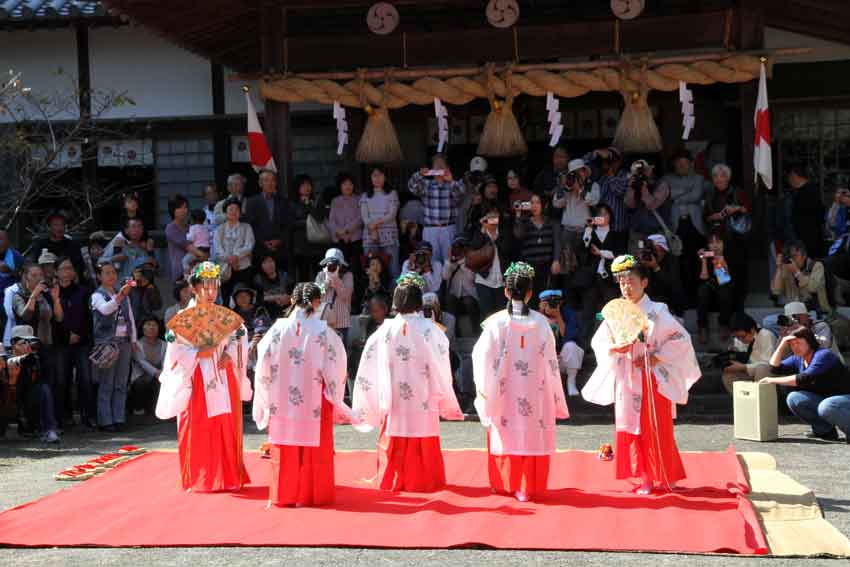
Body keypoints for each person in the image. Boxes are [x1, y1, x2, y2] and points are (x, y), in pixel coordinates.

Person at [584, 255, 701, 495]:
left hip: (652, 376)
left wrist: (657, 357)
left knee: (658, 427)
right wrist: (614, 349)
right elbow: (600, 342)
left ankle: (667, 475)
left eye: (631, 281)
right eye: (622, 282)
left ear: (644, 282)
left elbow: (681, 338)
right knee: (633, 428)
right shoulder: (615, 312)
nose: (626, 287)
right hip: (627, 375)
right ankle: (645, 476)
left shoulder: (658, 311)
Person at [352, 273, 464, 492]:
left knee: (394, 430)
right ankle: (424, 480)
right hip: (423, 396)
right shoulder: (431, 330)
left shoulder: (383, 330)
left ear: (395, 303)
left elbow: (368, 365)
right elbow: (443, 364)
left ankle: (393, 479)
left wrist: (374, 398)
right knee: (423, 431)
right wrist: (444, 395)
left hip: (393, 397)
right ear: (419, 303)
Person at [472, 262, 569, 502]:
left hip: (504, 390)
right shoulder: (541, 323)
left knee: (507, 431)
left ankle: (507, 483)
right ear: (529, 293)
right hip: (534, 390)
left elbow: (479, 356)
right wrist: (554, 394)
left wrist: (486, 391)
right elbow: (550, 361)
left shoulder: (494, 323)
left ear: (506, 291)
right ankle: (529, 485)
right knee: (531, 430)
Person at [155, 261, 253, 492]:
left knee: (226, 425)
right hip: (196, 375)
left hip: (221, 372)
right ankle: (202, 477)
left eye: (214, 287)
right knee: (200, 426)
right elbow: (174, 351)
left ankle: (228, 476)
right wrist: (198, 352)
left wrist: (229, 354)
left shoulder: (224, 315)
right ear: (194, 288)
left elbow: (240, 335)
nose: (211, 292)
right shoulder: (183, 316)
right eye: (206, 287)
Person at [254, 282, 353, 507]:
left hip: (281, 396)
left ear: (292, 300)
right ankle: (313, 495)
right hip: (314, 398)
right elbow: (336, 366)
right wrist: (334, 392)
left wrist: (265, 395)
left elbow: (263, 364)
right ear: (317, 303)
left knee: (285, 444)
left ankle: (285, 494)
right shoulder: (324, 332)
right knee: (314, 448)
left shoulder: (276, 330)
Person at [761, 326, 850, 442]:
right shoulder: (798, 359)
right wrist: (782, 343)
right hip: (827, 400)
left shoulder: (823, 355)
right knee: (794, 398)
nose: (795, 347)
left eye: (799, 343)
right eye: (792, 344)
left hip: (845, 399)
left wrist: (771, 380)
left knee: (827, 406)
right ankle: (825, 431)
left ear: (810, 342)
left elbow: (803, 378)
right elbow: (774, 368)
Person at [90, 261, 135, 432]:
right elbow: (105, 310)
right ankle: (105, 419)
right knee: (106, 382)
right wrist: (120, 296)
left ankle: (119, 417)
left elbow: (130, 317)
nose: (111, 276)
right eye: (107, 273)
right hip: (107, 343)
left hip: (123, 341)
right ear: (100, 276)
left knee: (121, 382)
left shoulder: (123, 294)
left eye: (113, 272)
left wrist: (133, 340)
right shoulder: (97, 295)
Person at [54, 257, 95, 429]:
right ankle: (65, 417)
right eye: (63, 268)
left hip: (82, 341)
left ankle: (88, 417)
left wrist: (78, 334)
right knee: (62, 380)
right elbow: (53, 320)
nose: (67, 272)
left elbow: (88, 317)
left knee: (85, 379)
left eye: (69, 268)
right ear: (56, 271)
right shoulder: (53, 292)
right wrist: (66, 335)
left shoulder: (83, 291)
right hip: (60, 343)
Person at [579, 204, 628, 346]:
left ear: (611, 217)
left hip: (609, 279)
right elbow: (583, 250)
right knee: (588, 313)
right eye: (599, 214)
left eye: (606, 214)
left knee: (611, 312)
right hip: (591, 279)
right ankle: (584, 347)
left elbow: (619, 254)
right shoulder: (589, 233)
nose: (603, 217)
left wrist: (601, 253)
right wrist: (588, 229)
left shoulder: (617, 235)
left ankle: (614, 345)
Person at [662, 150, 707, 304]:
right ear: (674, 165)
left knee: (697, 260)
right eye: (678, 163)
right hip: (676, 225)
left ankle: (698, 298)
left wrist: (675, 194)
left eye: (685, 163)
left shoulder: (699, 178)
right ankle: (683, 298)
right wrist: (684, 192)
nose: (682, 166)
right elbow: (666, 197)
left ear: (691, 164)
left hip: (694, 225)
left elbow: (696, 195)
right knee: (679, 263)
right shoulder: (666, 179)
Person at [704, 164, 751, 306]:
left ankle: (738, 305)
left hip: (736, 239)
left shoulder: (737, 192)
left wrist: (735, 208)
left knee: (737, 272)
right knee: (722, 276)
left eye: (722, 176)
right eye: (716, 176)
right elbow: (705, 217)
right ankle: (725, 308)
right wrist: (716, 216)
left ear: (728, 178)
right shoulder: (710, 194)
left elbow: (748, 209)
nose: (719, 179)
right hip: (718, 241)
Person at [408, 153, 466, 265]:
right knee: (430, 262)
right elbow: (411, 186)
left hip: (448, 228)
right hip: (430, 229)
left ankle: (449, 282)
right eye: (436, 165)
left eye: (441, 165)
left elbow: (461, 194)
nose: (439, 168)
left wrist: (451, 180)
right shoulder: (426, 184)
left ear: (447, 168)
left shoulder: (453, 184)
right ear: (432, 169)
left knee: (450, 262)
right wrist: (420, 174)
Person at [8, 325, 59, 442]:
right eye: (23, 342)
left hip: (29, 398)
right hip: (12, 401)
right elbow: (12, 363)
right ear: (13, 344)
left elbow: (45, 378)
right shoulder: (7, 357)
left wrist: (39, 358)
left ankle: (49, 429)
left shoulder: (36, 358)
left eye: (30, 342)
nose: (28, 346)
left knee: (45, 389)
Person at [513, 194, 562, 302]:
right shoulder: (524, 222)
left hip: (547, 267)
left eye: (537, 202)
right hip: (530, 268)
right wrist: (518, 215)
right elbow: (519, 234)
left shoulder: (551, 222)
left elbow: (557, 242)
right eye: (532, 203)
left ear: (543, 205)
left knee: (547, 301)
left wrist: (556, 260)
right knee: (532, 300)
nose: (534, 206)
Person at [467, 208, 514, 320]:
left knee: (502, 314)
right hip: (483, 280)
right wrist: (482, 229)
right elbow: (474, 247)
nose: (492, 219)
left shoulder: (504, 231)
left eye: (495, 216)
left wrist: (495, 238)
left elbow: (508, 249)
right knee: (486, 314)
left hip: (502, 280)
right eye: (489, 216)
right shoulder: (480, 232)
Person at [539, 289, 583, 396]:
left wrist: (558, 317)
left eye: (555, 302)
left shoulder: (568, 314)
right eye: (548, 302)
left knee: (571, 346)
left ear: (561, 302)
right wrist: (541, 314)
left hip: (562, 359)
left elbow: (569, 338)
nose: (552, 305)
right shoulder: (536, 316)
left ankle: (571, 382)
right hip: (543, 360)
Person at [721, 313, 777, 394]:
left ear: (752, 330)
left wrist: (744, 367)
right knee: (727, 376)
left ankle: (761, 401)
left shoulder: (766, 335)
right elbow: (743, 357)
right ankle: (743, 402)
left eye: (742, 336)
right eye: (737, 337)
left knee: (762, 370)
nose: (740, 339)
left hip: (764, 372)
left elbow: (769, 364)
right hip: (747, 370)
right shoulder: (739, 339)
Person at [361, 165, 401, 278]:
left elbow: (392, 214)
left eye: (380, 175)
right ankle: (373, 294)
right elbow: (364, 217)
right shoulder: (365, 196)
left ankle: (395, 293)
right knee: (371, 269)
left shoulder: (392, 193)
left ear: (385, 177)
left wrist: (375, 224)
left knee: (393, 269)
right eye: (374, 175)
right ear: (370, 177)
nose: (377, 178)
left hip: (389, 235)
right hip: (370, 236)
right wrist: (372, 229)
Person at [624, 160, 672, 255]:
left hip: (657, 233)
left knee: (656, 262)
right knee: (637, 263)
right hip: (637, 233)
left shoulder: (662, 184)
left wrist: (644, 189)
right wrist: (631, 188)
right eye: (639, 170)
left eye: (644, 169)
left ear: (652, 168)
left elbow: (652, 205)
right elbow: (629, 204)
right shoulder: (634, 183)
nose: (641, 172)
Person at [214, 196, 256, 301]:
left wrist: (236, 256)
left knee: (245, 297)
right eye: (231, 209)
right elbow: (218, 249)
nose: (234, 212)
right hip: (225, 270)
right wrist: (230, 259)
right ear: (225, 212)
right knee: (226, 297)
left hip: (243, 268)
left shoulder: (247, 227)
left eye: (237, 209)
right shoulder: (219, 230)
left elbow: (249, 245)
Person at [772, 241, 830, 315]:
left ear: (804, 255)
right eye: (790, 256)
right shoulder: (786, 268)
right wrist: (779, 268)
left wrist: (797, 272)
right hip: (794, 314)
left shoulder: (816, 266)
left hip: (816, 312)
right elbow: (776, 291)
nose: (792, 260)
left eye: (795, 256)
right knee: (768, 321)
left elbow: (813, 288)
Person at [244, 169, 288, 268]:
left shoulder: (283, 202)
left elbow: (288, 224)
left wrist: (279, 240)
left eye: (272, 180)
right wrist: (263, 242)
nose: (270, 183)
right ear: (260, 183)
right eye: (266, 180)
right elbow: (250, 226)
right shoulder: (252, 202)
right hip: (260, 249)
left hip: (280, 249)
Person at [696, 233, 735, 344]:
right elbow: (704, 277)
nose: (715, 245)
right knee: (702, 291)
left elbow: (723, 279)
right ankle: (702, 326)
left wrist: (719, 259)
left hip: (725, 286)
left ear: (723, 243)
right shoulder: (707, 256)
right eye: (711, 243)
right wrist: (703, 260)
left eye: (718, 242)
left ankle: (724, 324)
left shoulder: (730, 255)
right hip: (711, 288)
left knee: (724, 291)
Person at [328, 172, 364, 287]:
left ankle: (357, 298)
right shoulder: (335, 201)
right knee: (341, 271)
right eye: (345, 184)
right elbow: (331, 220)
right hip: (340, 241)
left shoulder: (359, 199)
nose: (348, 187)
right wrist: (339, 232)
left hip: (355, 240)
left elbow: (360, 218)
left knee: (356, 271)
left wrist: (347, 230)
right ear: (340, 186)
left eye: (350, 184)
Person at [289, 174, 327, 283]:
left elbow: (320, 218)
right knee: (303, 277)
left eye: (308, 184)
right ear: (298, 187)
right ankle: (305, 299)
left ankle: (320, 299)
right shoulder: (293, 204)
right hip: (301, 247)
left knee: (319, 276)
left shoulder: (317, 201)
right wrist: (307, 223)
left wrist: (309, 205)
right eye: (303, 185)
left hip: (317, 244)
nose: (307, 187)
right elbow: (291, 223)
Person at [784, 162, 825, 259]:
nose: (788, 181)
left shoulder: (810, 191)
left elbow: (818, 215)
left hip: (808, 242)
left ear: (794, 176)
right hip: (801, 240)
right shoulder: (798, 192)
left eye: (789, 177)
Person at [584, 147, 630, 232]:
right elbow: (583, 163)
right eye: (608, 160)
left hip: (618, 227)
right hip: (602, 226)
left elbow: (619, 191)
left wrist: (610, 175)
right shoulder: (602, 176)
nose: (610, 163)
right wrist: (595, 153)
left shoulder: (625, 175)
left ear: (619, 161)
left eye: (613, 160)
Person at [553, 159, 597, 245]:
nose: (577, 176)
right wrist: (561, 187)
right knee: (566, 256)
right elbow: (556, 204)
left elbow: (594, 201)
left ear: (585, 172)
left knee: (583, 257)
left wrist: (580, 189)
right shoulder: (567, 187)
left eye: (579, 172)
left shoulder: (593, 185)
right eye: (574, 173)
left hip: (585, 229)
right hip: (567, 230)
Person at [315, 248, 354, 341]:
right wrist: (327, 281)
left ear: (340, 265)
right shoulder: (321, 275)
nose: (332, 266)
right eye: (329, 263)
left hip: (342, 322)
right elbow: (316, 295)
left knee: (341, 352)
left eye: (336, 263)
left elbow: (345, 296)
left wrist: (336, 279)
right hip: (324, 321)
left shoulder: (348, 276)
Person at [28, 210, 84, 275]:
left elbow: (79, 267)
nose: (60, 228)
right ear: (49, 227)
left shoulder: (73, 245)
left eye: (62, 225)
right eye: (56, 225)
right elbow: (32, 264)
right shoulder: (40, 245)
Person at [130, 316, 166, 416]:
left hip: (159, 376)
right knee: (143, 381)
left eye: (154, 325)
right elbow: (141, 362)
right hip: (140, 378)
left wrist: (163, 373)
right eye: (148, 325)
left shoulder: (164, 345)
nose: (152, 328)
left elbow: (166, 361)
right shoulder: (136, 345)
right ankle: (138, 407)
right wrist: (157, 373)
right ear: (142, 328)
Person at [441, 236, 479, 328]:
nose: (458, 250)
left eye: (460, 248)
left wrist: (462, 262)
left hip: (470, 297)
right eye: (456, 248)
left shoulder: (472, 261)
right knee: (449, 299)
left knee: (468, 301)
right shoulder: (450, 262)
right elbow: (445, 276)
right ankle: (452, 331)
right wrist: (450, 261)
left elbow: (471, 278)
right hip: (455, 297)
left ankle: (476, 330)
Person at [166, 195, 205, 281]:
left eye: (186, 207)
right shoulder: (171, 228)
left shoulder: (190, 226)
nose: (184, 210)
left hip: (195, 269)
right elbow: (187, 245)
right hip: (180, 271)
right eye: (180, 208)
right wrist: (203, 255)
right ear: (173, 210)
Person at [533, 146, 570, 219]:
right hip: (549, 216)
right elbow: (536, 192)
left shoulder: (572, 174)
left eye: (562, 157)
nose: (559, 160)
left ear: (568, 158)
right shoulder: (544, 174)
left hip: (569, 217)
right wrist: (549, 193)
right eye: (556, 156)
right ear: (553, 158)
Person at [253, 253, 291, 320]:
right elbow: (258, 298)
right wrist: (276, 297)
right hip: (267, 311)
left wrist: (287, 299)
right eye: (264, 263)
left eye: (270, 261)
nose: (269, 265)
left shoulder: (284, 275)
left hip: (286, 308)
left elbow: (292, 293)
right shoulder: (258, 279)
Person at [0, 229, 24, 298]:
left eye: (1, 239)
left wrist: (10, 271)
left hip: (11, 296)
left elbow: (24, 277)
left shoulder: (16, 256)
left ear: (8, 241)